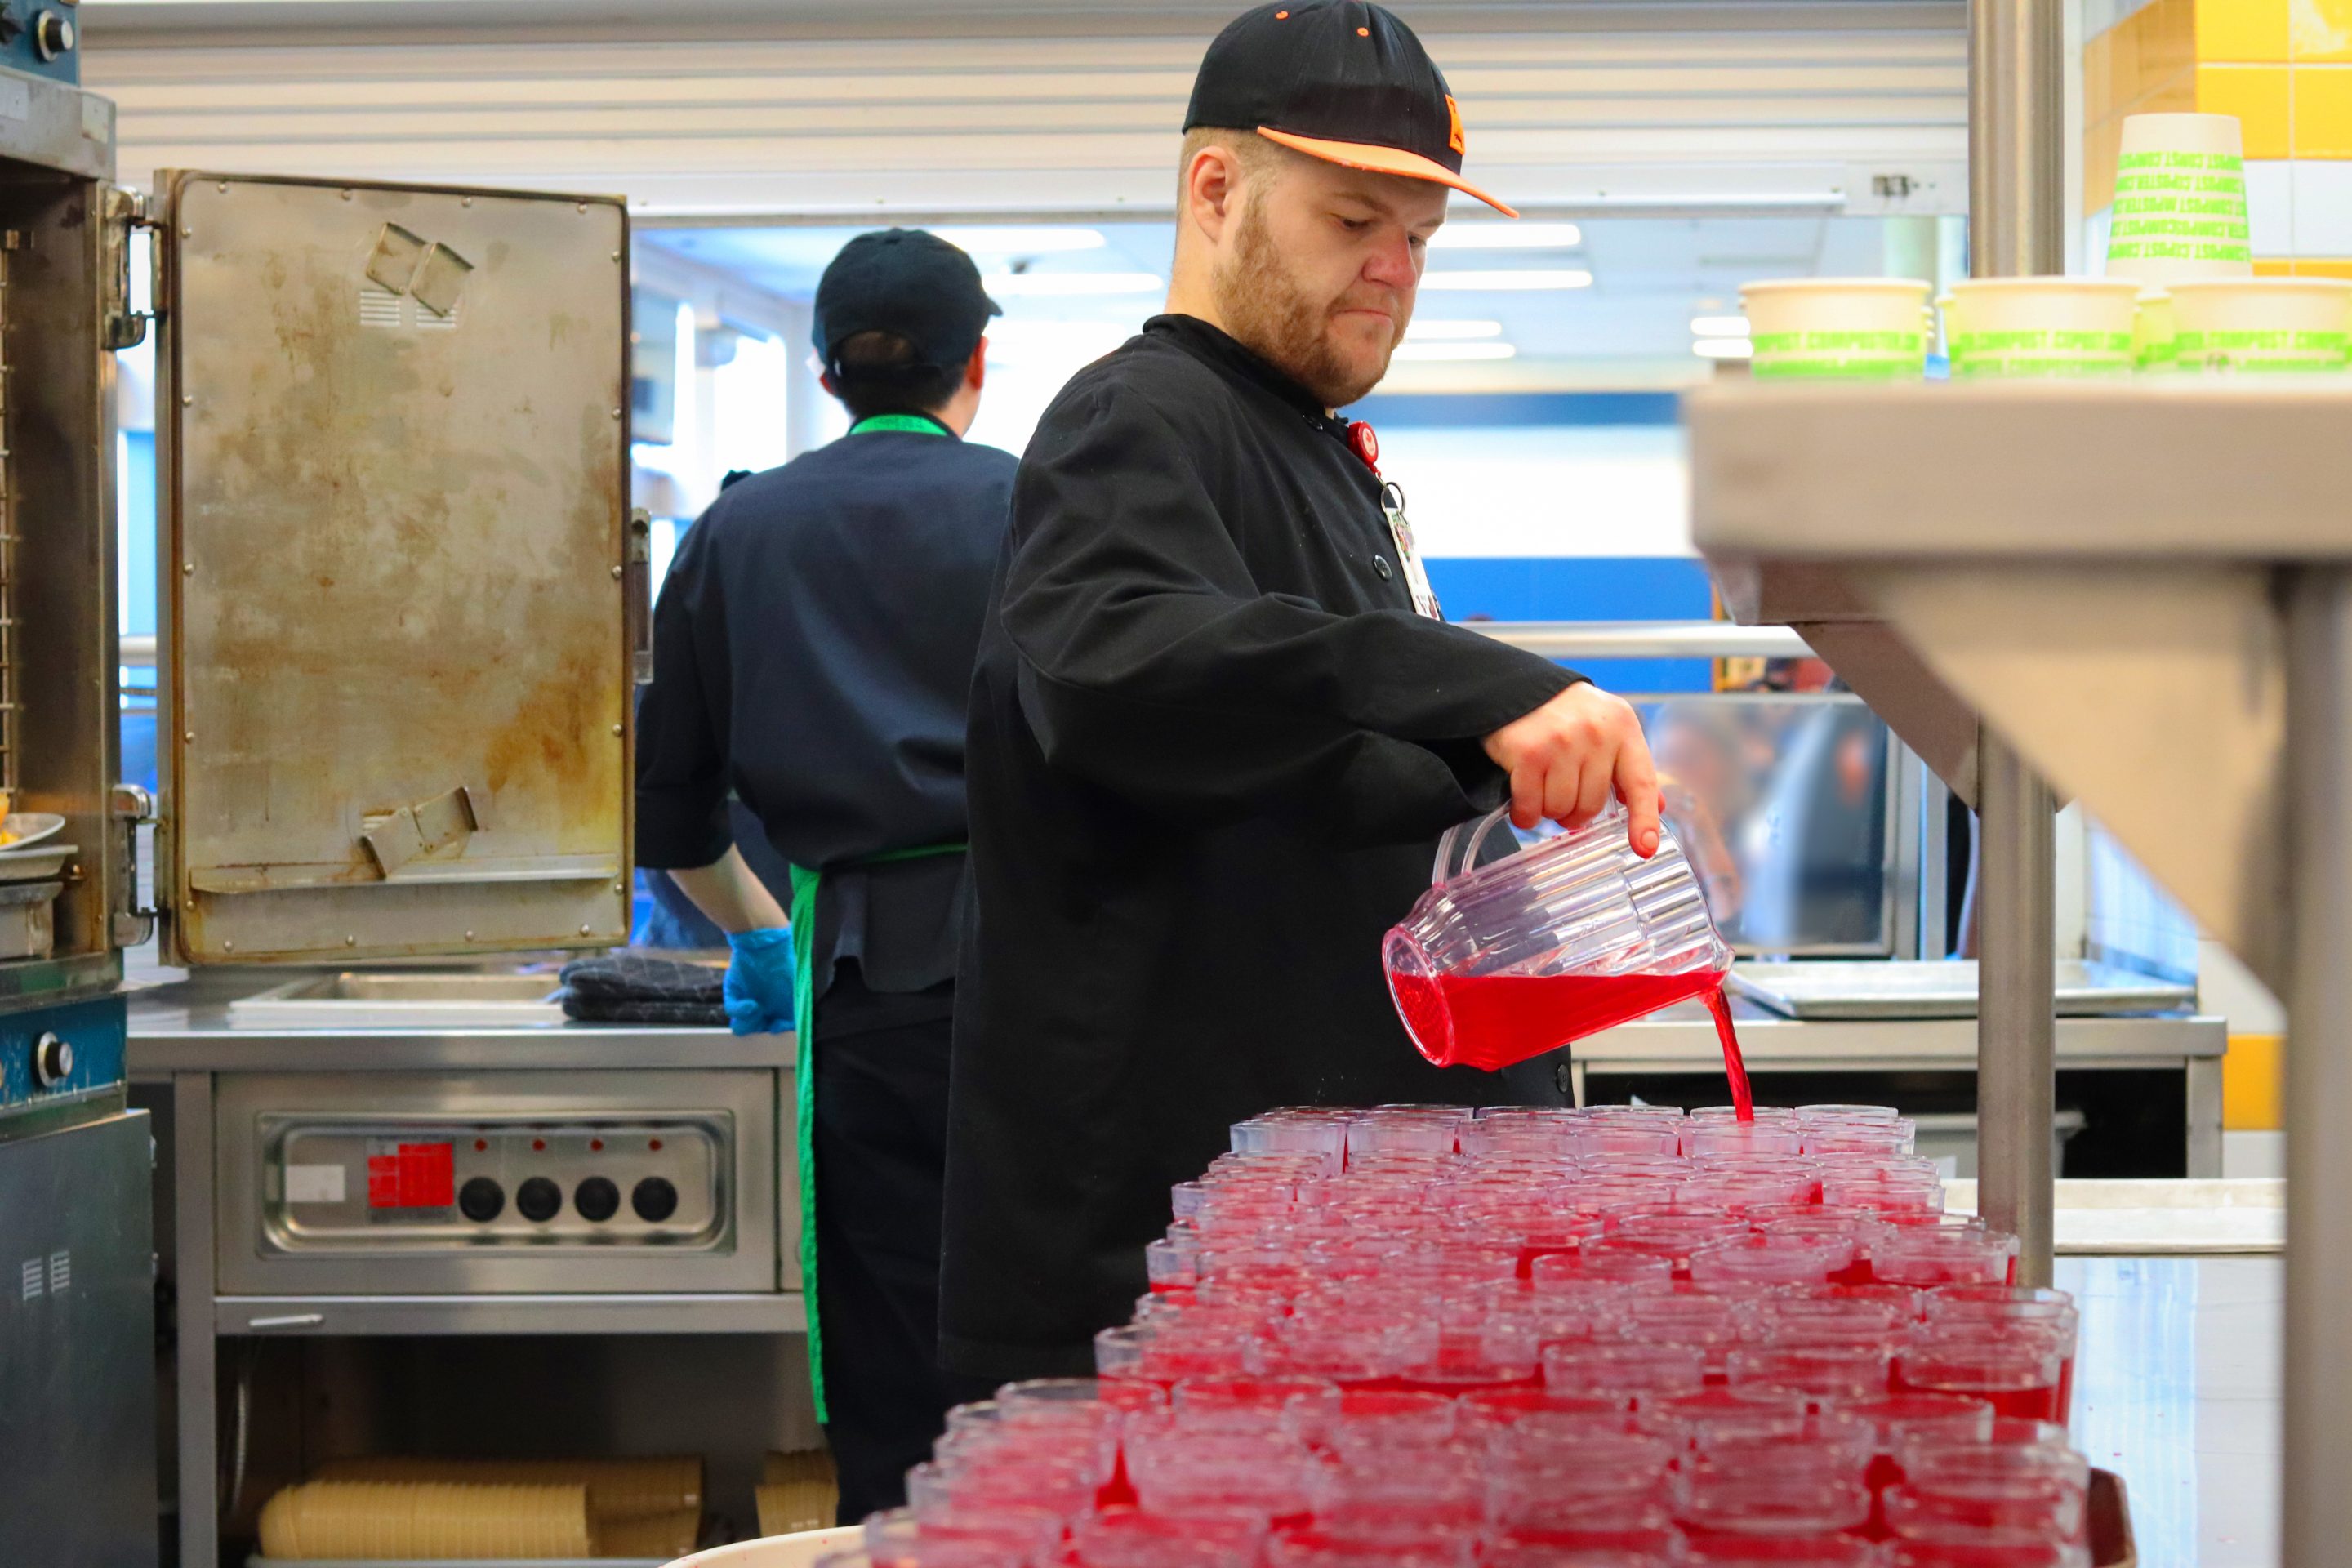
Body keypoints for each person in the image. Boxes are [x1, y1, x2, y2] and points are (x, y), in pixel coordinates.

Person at [939, 0, 1665, 1383]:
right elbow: (1123, 665)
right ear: (1216, 190)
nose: (1396, 268)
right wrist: (1481, 690)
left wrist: (1502, 804)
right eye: (1352, 220)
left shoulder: (1315, 451)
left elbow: (1322, 756)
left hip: (1318, 1249)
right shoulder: (1135, 417)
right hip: (1176, 1276)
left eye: (1421, 239)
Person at [634, 229, 1015, 1517]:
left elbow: (672, 817)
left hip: (863, 988)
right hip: (1052, 985)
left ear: (827, 373)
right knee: (1058, 1351)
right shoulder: (1047, 509)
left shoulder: (737, 529)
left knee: (899, 1371)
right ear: (977, 361)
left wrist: (759, 937)